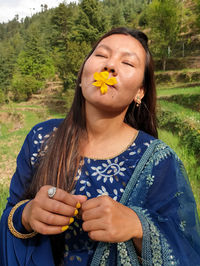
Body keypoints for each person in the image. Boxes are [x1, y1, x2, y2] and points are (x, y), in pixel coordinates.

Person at [0, 27, 200, 266]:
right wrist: (28, 215)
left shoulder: (159, 160)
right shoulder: (40, 138)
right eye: (102, 55)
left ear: (140, 92)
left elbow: (187, 248)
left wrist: (137, 226)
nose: (110, 66)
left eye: (127, 62)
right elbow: (11, 216)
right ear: (83, 76)